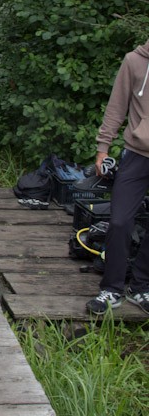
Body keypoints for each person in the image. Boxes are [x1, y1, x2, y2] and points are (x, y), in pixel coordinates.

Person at [86, 38, 149, 315]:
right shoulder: (134, 61)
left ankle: (140, 287)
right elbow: (116, 108)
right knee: (120, 221)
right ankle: (111, 289)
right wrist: (103, 148)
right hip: (137, 154)